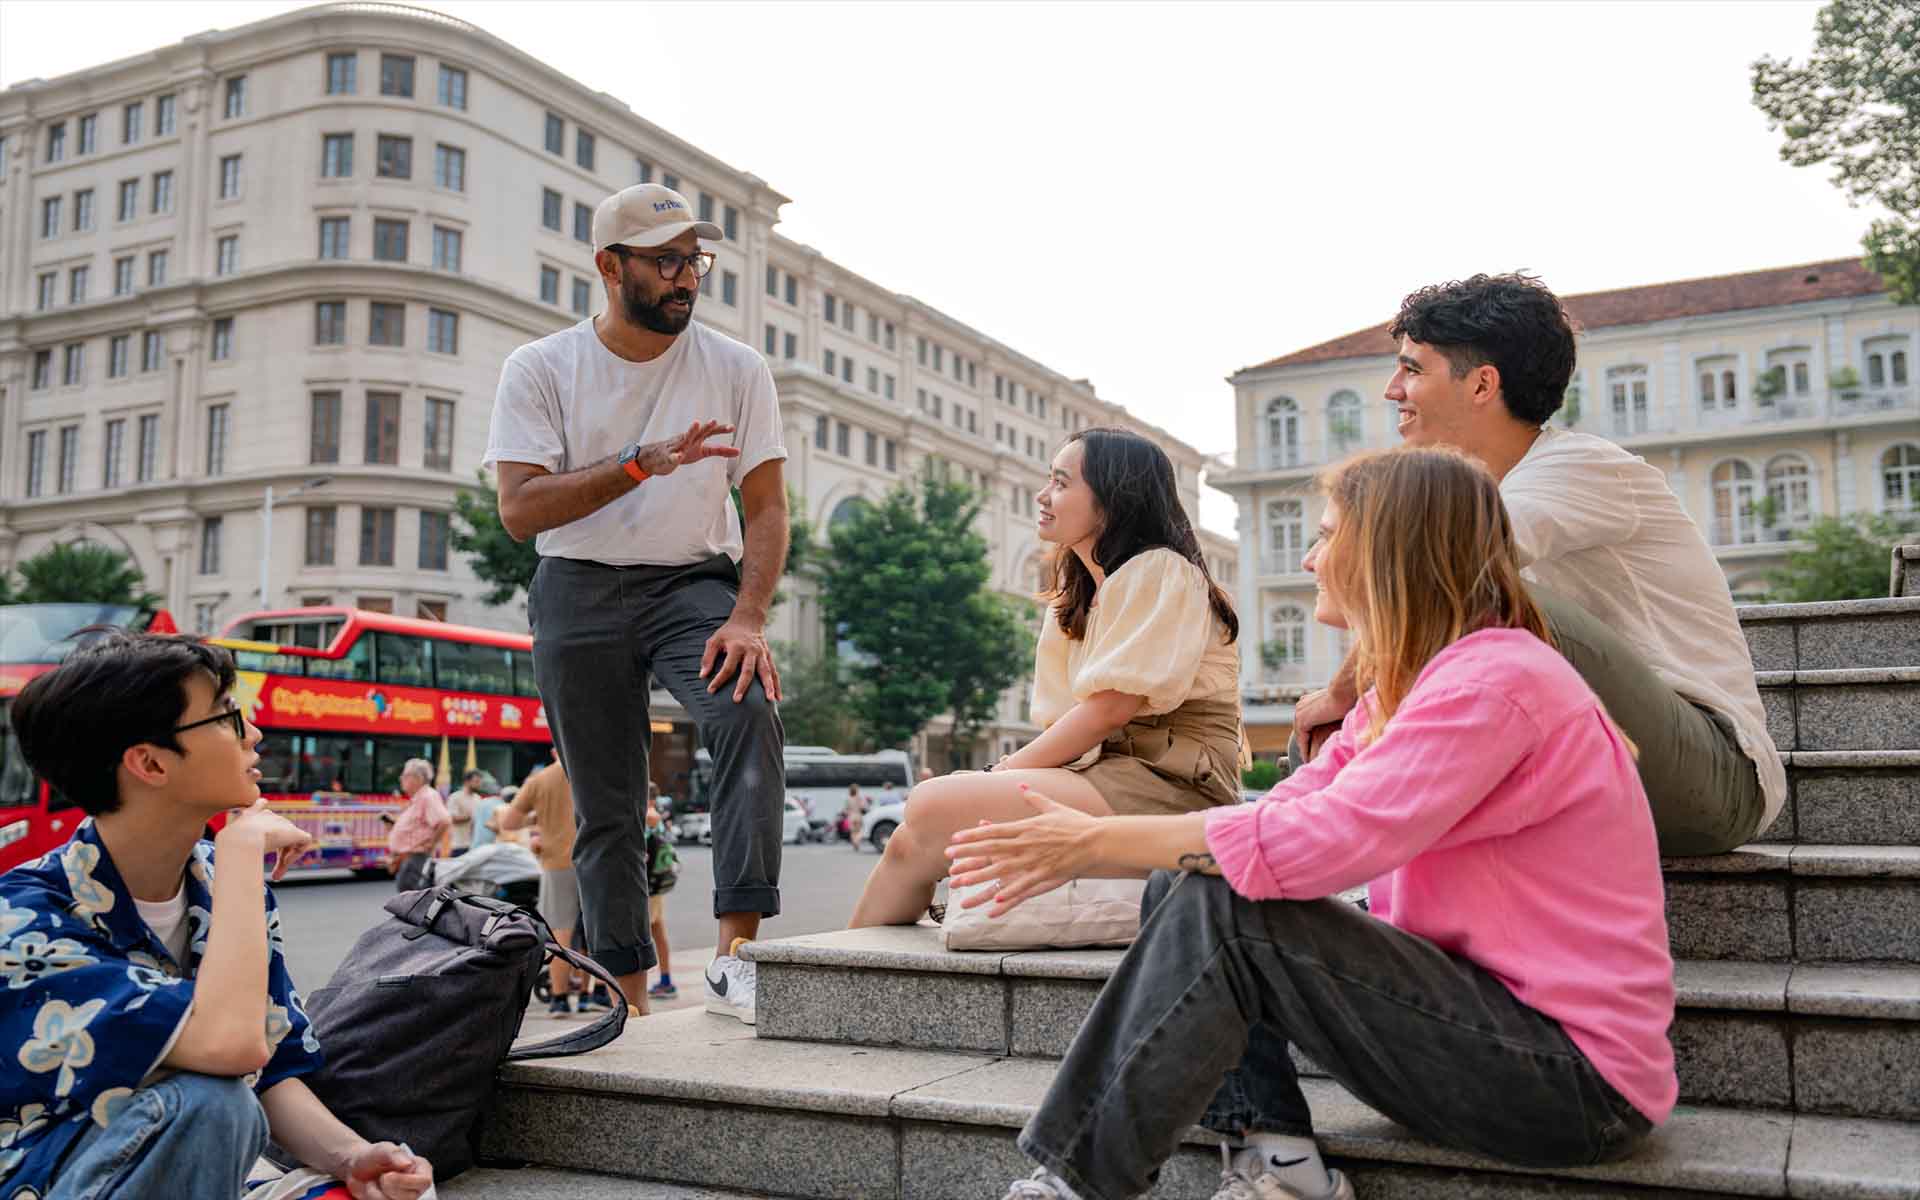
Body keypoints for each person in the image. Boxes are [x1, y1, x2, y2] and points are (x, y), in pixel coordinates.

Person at [958, 446, 1675, 1200]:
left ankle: (1078, 1185)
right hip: (1484, 1036)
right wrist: (1124, 845)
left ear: (1390, 550)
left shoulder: (1497, 683)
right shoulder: (1413, 688)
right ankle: (1281, 1171)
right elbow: (1282, 812)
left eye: (1329, 535)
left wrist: (1093, 841)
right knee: (1192, 876)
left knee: (1225, 896)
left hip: (1574, 1086)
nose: (1309, 559)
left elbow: (1324, 843)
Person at [1294, 273, 1784, 856]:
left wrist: (1339, 695)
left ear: (1482, 385)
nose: (1392, 390)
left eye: (1413, 369)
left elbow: (1431, 570)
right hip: (1591, 767)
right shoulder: (1471, 492)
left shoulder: (1581, 468)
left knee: (1480, 589)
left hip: (1712, 776)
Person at [484, 181, 788, 1023]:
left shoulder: (736, 367)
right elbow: (518, 510)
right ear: (609, 268)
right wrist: (634, 465)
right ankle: (625, 1001)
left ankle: (735, 959)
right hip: (576, 584)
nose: (686, 277)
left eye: (694, 260)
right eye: (665, 261)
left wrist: (749, 615)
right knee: (607, 804)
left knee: (746, 710)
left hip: (693, 584)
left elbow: (764, 507)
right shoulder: (541, 367)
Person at [0, 632, 435, 1200]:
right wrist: (239, 849)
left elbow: (271, 1066)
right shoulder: (24, 917)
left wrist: (352, 1156)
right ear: (150, 762)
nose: (254, 734)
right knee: (210, 1103)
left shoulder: (221, 878)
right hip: (52, 1182)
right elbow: (234, 1050)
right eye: (228, 717)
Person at [848, 427, 1243, 928]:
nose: (1043, 495)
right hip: (1109, 774)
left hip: (1176, 787)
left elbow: (1107, 711)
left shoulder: (1160, 570)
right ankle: (836, 978)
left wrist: (995, 775)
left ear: (1113, 499)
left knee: (930, 803)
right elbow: (1070, 720)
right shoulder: (1079, 597)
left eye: (1060, 482)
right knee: (911, 840)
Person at [500, 750, 583, 1016]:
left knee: (561, 931)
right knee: (596, 930)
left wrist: (537, 819)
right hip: (594, 862)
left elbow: (508, 821)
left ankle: (559, 997)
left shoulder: (540, 780)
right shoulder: (592, 770)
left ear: (554, 750)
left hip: (557, 862)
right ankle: (594, 993)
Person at [385, 758, 448, 892]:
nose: (401, 779)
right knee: (408, 900)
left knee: (411, 901)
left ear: (417, 778)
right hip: (410, 858)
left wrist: (431, 844)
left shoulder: (428, 796)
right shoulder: (419, 797)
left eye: (405, 776)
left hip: (416, 857)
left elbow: (444, 821)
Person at [644, 784, 679, 1000]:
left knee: (643, 933)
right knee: (658, 931)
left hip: (648, 884)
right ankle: (666, 980)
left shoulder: (649, 816)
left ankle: (643, 983)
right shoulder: (660, 816)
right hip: (656, 883)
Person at [444, 768, 490, 856]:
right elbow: (452, 818)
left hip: (474, 845)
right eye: (476, 781)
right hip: (458, 845)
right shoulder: (455, 797)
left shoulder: (478, 798)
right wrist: (472, 816)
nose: (478, 784)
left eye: (479, 782)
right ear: (467, 782)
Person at [472, 783, 509, 850]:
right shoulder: (502, 805)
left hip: (477, 844)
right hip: (492, 846)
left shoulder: (480, 802)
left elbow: (473, 823)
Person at [841, 784, 866, 852]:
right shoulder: (859, 798)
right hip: (858, 815)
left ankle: (855, 843)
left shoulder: (848, 798)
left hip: (851, 816)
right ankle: (857, 841)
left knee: (853, 832)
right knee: (859, 831)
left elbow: (845, 809)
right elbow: (863, 807)